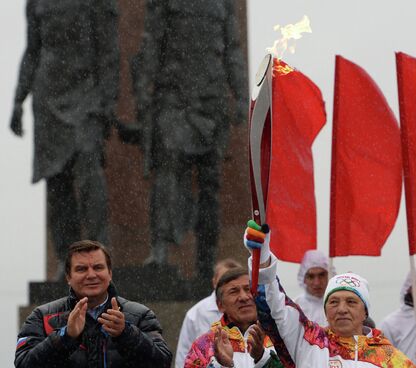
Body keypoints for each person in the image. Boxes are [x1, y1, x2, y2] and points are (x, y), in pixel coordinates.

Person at [133, 0, 248, 280]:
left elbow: (232, 48)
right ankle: (160, 248)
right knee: (167, 169)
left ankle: (206, 258)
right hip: (174, 96)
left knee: (210, 184)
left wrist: (242, 93)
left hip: (212, 100)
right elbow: (152, 41)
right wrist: (141, 88)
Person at [10, 0, 119, 280]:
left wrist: (107, 103)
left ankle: (98, 253)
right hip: (48, 96)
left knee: (89, 176)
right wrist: (19, 100)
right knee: (56, 184)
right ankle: (66, 259)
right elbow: (33, 50)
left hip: (86, 92)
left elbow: (108, 51)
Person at [244, 222, 416, 367]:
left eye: (351, 302)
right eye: (333, 302)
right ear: (325, 311)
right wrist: (262, 256)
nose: (342, 309)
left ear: (365, 312)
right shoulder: (310, 341)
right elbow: (273, 307)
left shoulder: (389, 358)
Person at [15, 240, 172, 367]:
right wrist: (65, 337)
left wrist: (125, 334)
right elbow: (23, 364)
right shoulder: (42, 317)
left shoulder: (140, 315)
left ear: (109, 273)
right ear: (68, 277)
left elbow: (163, 362)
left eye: (98, 267)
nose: (91, 275)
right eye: (81, 269)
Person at [184, 268, 281, 367]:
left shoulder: (279, 338)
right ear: (220, 305)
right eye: (233, 291)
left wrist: (262, 357)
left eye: (248, 289)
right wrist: (223, 365)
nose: (243, 297)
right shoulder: (204, 345)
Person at [175, 258, 242, 368]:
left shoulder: (251, 312)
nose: (229, 286)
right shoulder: (195, 314)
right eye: (224, 281)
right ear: (214, 282)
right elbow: (183, 355)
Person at [294, 250, 332, 326]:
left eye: (321, 275)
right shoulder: (295, 308)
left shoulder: (339, 306)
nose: (317, 282)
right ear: (303, 279)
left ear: (330, 276)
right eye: (311, 276)